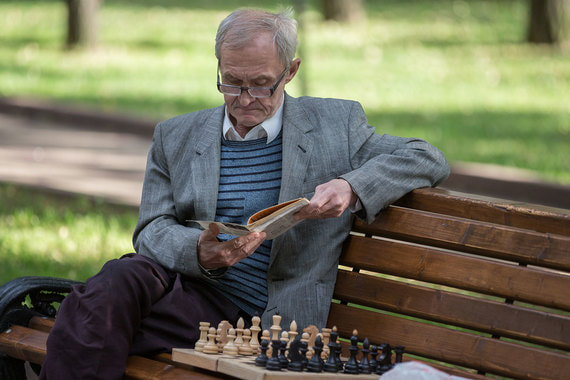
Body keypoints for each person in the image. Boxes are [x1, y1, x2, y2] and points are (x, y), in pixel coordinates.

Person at [39, 8, 449, 379]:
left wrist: (352, 186)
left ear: (290, 72)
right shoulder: (176, 136)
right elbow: (151, 230)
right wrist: (199, 253)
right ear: (218, 67)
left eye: (260, 84)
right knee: (116, 281)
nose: (244, 100)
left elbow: (427, 157)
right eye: (231, 83)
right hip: (192, 300)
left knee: (91, 320)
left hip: (268, 320)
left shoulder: (335, 125)